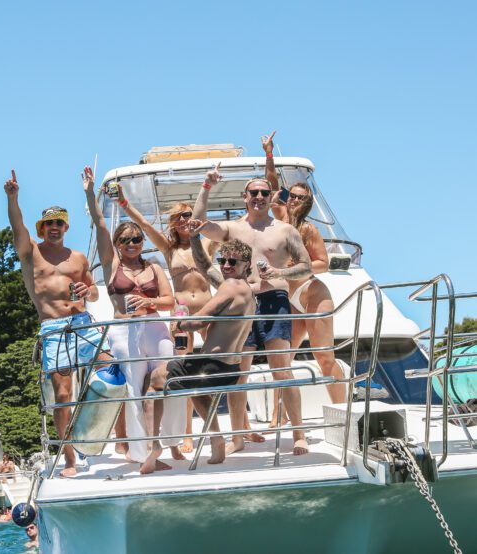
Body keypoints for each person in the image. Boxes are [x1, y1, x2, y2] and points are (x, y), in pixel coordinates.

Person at [193, 163, 312, 456]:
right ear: (244, 196)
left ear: (270, 197)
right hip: (243, 305)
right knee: (238, 373)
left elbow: (306, 267)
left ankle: (299, 434)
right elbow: (197, 223)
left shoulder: (285, 230)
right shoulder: (233, 228)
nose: (259, 196)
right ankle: (237, 438)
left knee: (281, 370)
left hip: (274, 302)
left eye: (264, 192)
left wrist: (277, 272)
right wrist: (207, 185)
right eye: (253, 192)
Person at [5, 169, 109, 478]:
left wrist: (86, 290)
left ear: (66, 226)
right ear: (42, 227)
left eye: (58, 223)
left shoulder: (77, 257)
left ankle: (110, 443)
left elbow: (92, 291)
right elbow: (17, 227)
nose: (54, 228)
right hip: (54, 328)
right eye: (48, 224)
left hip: (83, 323)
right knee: (63, 396)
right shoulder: (31, 253)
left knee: (113, 374)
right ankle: (70, 459)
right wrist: (13, 198)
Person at [82, 166, 185, 469]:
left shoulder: (153, 267)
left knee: (168, 381)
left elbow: (170, 300)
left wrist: (149, 300)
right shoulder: (112, 266)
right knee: (135, 390)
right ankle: (143, 453)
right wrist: (90, 193)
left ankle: (165, 444)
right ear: (117, 244)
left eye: (136, 239)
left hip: (156, 329)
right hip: (125, 331)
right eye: (125, 240)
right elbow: (100, 224)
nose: (131, 244)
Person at [115, 186, 219, 453]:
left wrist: (206, 186)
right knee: (180, 373)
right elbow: (145, 226)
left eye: (187, 214)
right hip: (182, 315)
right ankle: (186, 434)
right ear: (173, 224)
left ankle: (225, 430)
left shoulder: (206, 242)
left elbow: (206, 214)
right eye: (178, 217)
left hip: (209, 309)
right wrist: (125, 203)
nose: (184, 220)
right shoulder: (169, 250)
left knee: (217, 367)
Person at [142, 239, 256, 474]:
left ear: (247, 265)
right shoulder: (248, 291)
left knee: (153, 380)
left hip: (213, 364)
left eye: (232, 262)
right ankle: (216, 439)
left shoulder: (231, 286)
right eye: (222, 260)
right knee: (194, 387)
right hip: (231, 368)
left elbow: (200, 319)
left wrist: (180, 322)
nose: (226, 265)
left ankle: (153, 445)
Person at [262, 131, 345, 417]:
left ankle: (344, 412)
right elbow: (271, 184)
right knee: (282, 363)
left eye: (300, 197)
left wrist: (298, 266)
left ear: (306, 202)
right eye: (292, 195)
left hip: (312, 293)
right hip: (290, 299)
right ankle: (276, 419)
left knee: (324, 357)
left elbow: (323, 262)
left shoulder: (308, 230)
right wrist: (269, 155)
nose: (295, 199)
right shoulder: (279, 219)